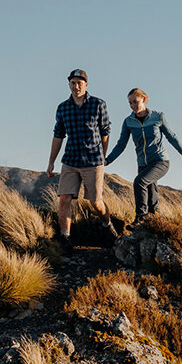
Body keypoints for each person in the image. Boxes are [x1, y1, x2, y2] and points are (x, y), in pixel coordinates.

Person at [46, 69, 116, 253]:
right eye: (72, 83)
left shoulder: (98, 104)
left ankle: (107, 225)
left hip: (93, 160)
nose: (76, 86)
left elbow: (105, 131)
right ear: (69, 85)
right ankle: (65, 237)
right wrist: (51, 162)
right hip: (70, 160)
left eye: (79, 83)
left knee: (95, 202)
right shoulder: (63, 108)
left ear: (86, 84)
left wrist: (102, 157)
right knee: (64, 199)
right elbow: (58, 135)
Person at [105, 87, 182, 226]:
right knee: (151, 198)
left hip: (160, 161)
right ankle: (155, 223)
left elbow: (171, 137)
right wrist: (107, 160)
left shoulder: (158, 117)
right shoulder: (128, 122)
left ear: (144, 99)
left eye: (135, 102)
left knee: (139, 182)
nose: (133, 106)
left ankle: (140, 218)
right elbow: (121, 145)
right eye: (130, 103)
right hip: (143, 164)